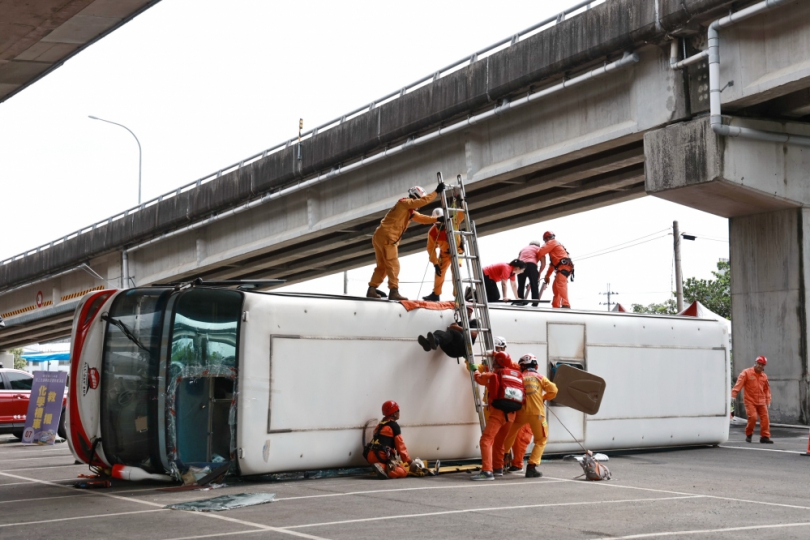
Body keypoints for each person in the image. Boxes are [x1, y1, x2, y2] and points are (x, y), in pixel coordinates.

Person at [367, 184, 444, 300]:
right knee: (394, 265)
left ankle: (372, 289)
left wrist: (437, 219)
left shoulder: (407, 209)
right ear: (416, 197)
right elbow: (423, 201)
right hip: (388, 237)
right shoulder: (406, 203)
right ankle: (394, 291)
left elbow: (423, 218)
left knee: (382, 266)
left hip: (380, 236)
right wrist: (436, 192)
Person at [467, 351, 524, 481]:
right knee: (499, 442)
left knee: (486, 440)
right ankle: (498, 468)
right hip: (512, 414)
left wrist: (475, 369)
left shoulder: (494, 375)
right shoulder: (516, 376)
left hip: (498, 412)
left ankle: (487, 471)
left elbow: (478, 378)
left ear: (496, 362)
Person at [502, 354, 558, 477]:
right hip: (537, 414)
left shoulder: (519, 377)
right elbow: (553, 390)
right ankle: (531, 467)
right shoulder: (540, 377)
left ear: (521, 366)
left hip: (520, 413)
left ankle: (502, 460)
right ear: (536, 366)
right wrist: (543, 397)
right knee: (541, 440)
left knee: (509, 436)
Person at [422, 208, 464, 302]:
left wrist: (461, 203)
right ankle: (436, 294)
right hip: (444, 254)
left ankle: (458, 295)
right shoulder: (432, 232)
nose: (439, 224)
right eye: (437, 222)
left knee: (456, 272)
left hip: (457, 252)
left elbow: (461, 214)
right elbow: (431, 248)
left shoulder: (453, 223)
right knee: (439, 273)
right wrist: (435, 263)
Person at [365, 401, 412, 478]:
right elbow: (401, 446)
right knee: (403, 472)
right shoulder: (394, 426)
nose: (399, 412)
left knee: (396, 465)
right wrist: (409, 461)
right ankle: (382, 467)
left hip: (370, 455)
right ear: (393, 413)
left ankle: (380, 466)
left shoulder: (380, 425)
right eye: (398, 410)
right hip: (381, 456)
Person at [731, 356, 773, 444]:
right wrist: (733, 395)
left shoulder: (764, 376)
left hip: (761, 401)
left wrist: (768, 400)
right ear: (755, 363)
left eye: (762, 365)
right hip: (750, 400)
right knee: (753, 417)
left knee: (765, 419)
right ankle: (749, 434)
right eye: (759, 364)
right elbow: (739, 384)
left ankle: (765, 437)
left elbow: (766, 390)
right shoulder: (746, 373)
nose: (760, 366)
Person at [535, 231, 573, 308]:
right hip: (563, 267)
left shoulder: (552, 242)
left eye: (545, 241)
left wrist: (534, 254)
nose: (545, 242)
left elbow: (540, 252)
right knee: (556, 287)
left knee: (560, 285)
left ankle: (566, 304)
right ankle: (556, 305)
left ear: (547, 238)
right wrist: (547, 276)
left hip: (563, 267)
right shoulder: (556, 248)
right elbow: (553, 265)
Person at [517, 241, 546, 306]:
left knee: (520, 285)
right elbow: (543, 264)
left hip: (520, 266)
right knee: (534, 284)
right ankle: (535, 302)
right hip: (531, 265)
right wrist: (539, 273)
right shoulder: (539, 249)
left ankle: (519, 300)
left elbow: (518, 259)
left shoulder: (523, 249)